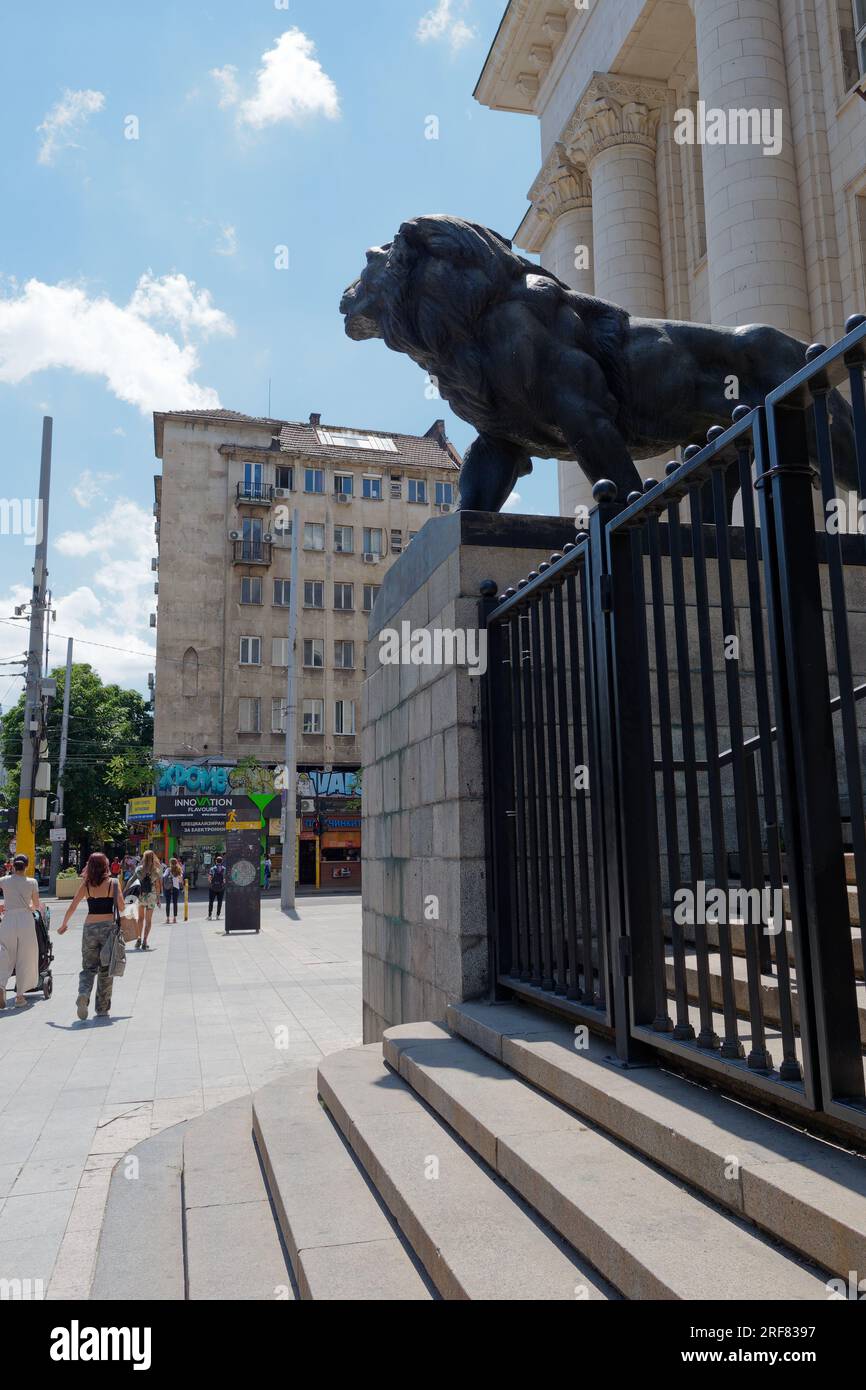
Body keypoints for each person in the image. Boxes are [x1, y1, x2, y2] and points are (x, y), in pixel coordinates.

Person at [58, 851, 125, 1021]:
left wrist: (63, 924)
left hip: (89, 928)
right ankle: (102, 1008)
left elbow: (73, 906)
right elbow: (122, 907)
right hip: (108, 929)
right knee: (105, 969)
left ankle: (83, 994)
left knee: (88, 967)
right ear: (105, 866)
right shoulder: (113, 884)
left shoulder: (86, 885)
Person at [0, 854, 42, 1009]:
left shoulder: (4, 881)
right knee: (25, 956)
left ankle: (1, 985)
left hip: (8, 919)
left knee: (4, 953)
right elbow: (36, 905)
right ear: (26, 866)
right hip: (25, 919)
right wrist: (30, 907)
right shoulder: (32, 882)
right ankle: (19, 997)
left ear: (12, 865)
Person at [134, 849, 161, 950]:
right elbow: (158, 886)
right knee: (148, 920)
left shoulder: (139, 869)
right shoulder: (156, 870)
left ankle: (138, 939)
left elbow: (133, 881)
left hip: (141, 895)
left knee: (140, 919)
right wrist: (158, 898)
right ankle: (145, 941)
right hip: (151, 896)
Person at [163, 857, 183, 924]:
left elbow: (163, 877)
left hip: (168, 887)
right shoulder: (179, 870)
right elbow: (180, 881)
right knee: (175, 903)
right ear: (176, 863)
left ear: (170, 863)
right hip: (176, 888)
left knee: (167, 903)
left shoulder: (168, 870)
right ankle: (174, 918)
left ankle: (168, 919)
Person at [208, 856, 226, 920]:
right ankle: (218, 915)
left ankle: (210, 916)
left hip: (213, 888)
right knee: (220, 902)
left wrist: (211, 883)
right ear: (222, 861)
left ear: (216, 861)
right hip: (221, 888)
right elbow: (225, 879)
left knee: (211, 902)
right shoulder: (224, 869)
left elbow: (209, 878)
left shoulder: (212, 869)